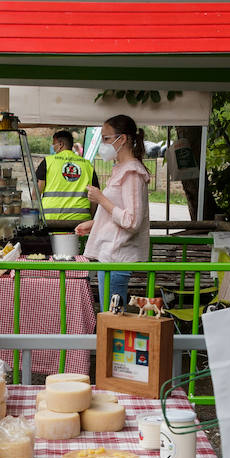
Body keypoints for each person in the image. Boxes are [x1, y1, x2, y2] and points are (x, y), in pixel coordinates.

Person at [75, 114, 150, 311]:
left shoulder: (132, 173)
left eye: (106, 138)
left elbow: (132, 221)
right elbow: (118, 213)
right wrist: (93, 224)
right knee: (111, 317)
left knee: (112, 318)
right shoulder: (122, 169)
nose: (102, 144)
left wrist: (101, 199)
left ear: (122, 139)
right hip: (110, 256)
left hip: (118, 257)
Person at [34, 129, 98, 227]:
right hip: (80, 220)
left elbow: (36, 193)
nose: (52, 147)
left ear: (60, 144)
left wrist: (36, 217)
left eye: (53, 144)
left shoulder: (48, 162)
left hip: (51, 219)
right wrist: (90, 218)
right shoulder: (87, 165)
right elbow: (95, 197)